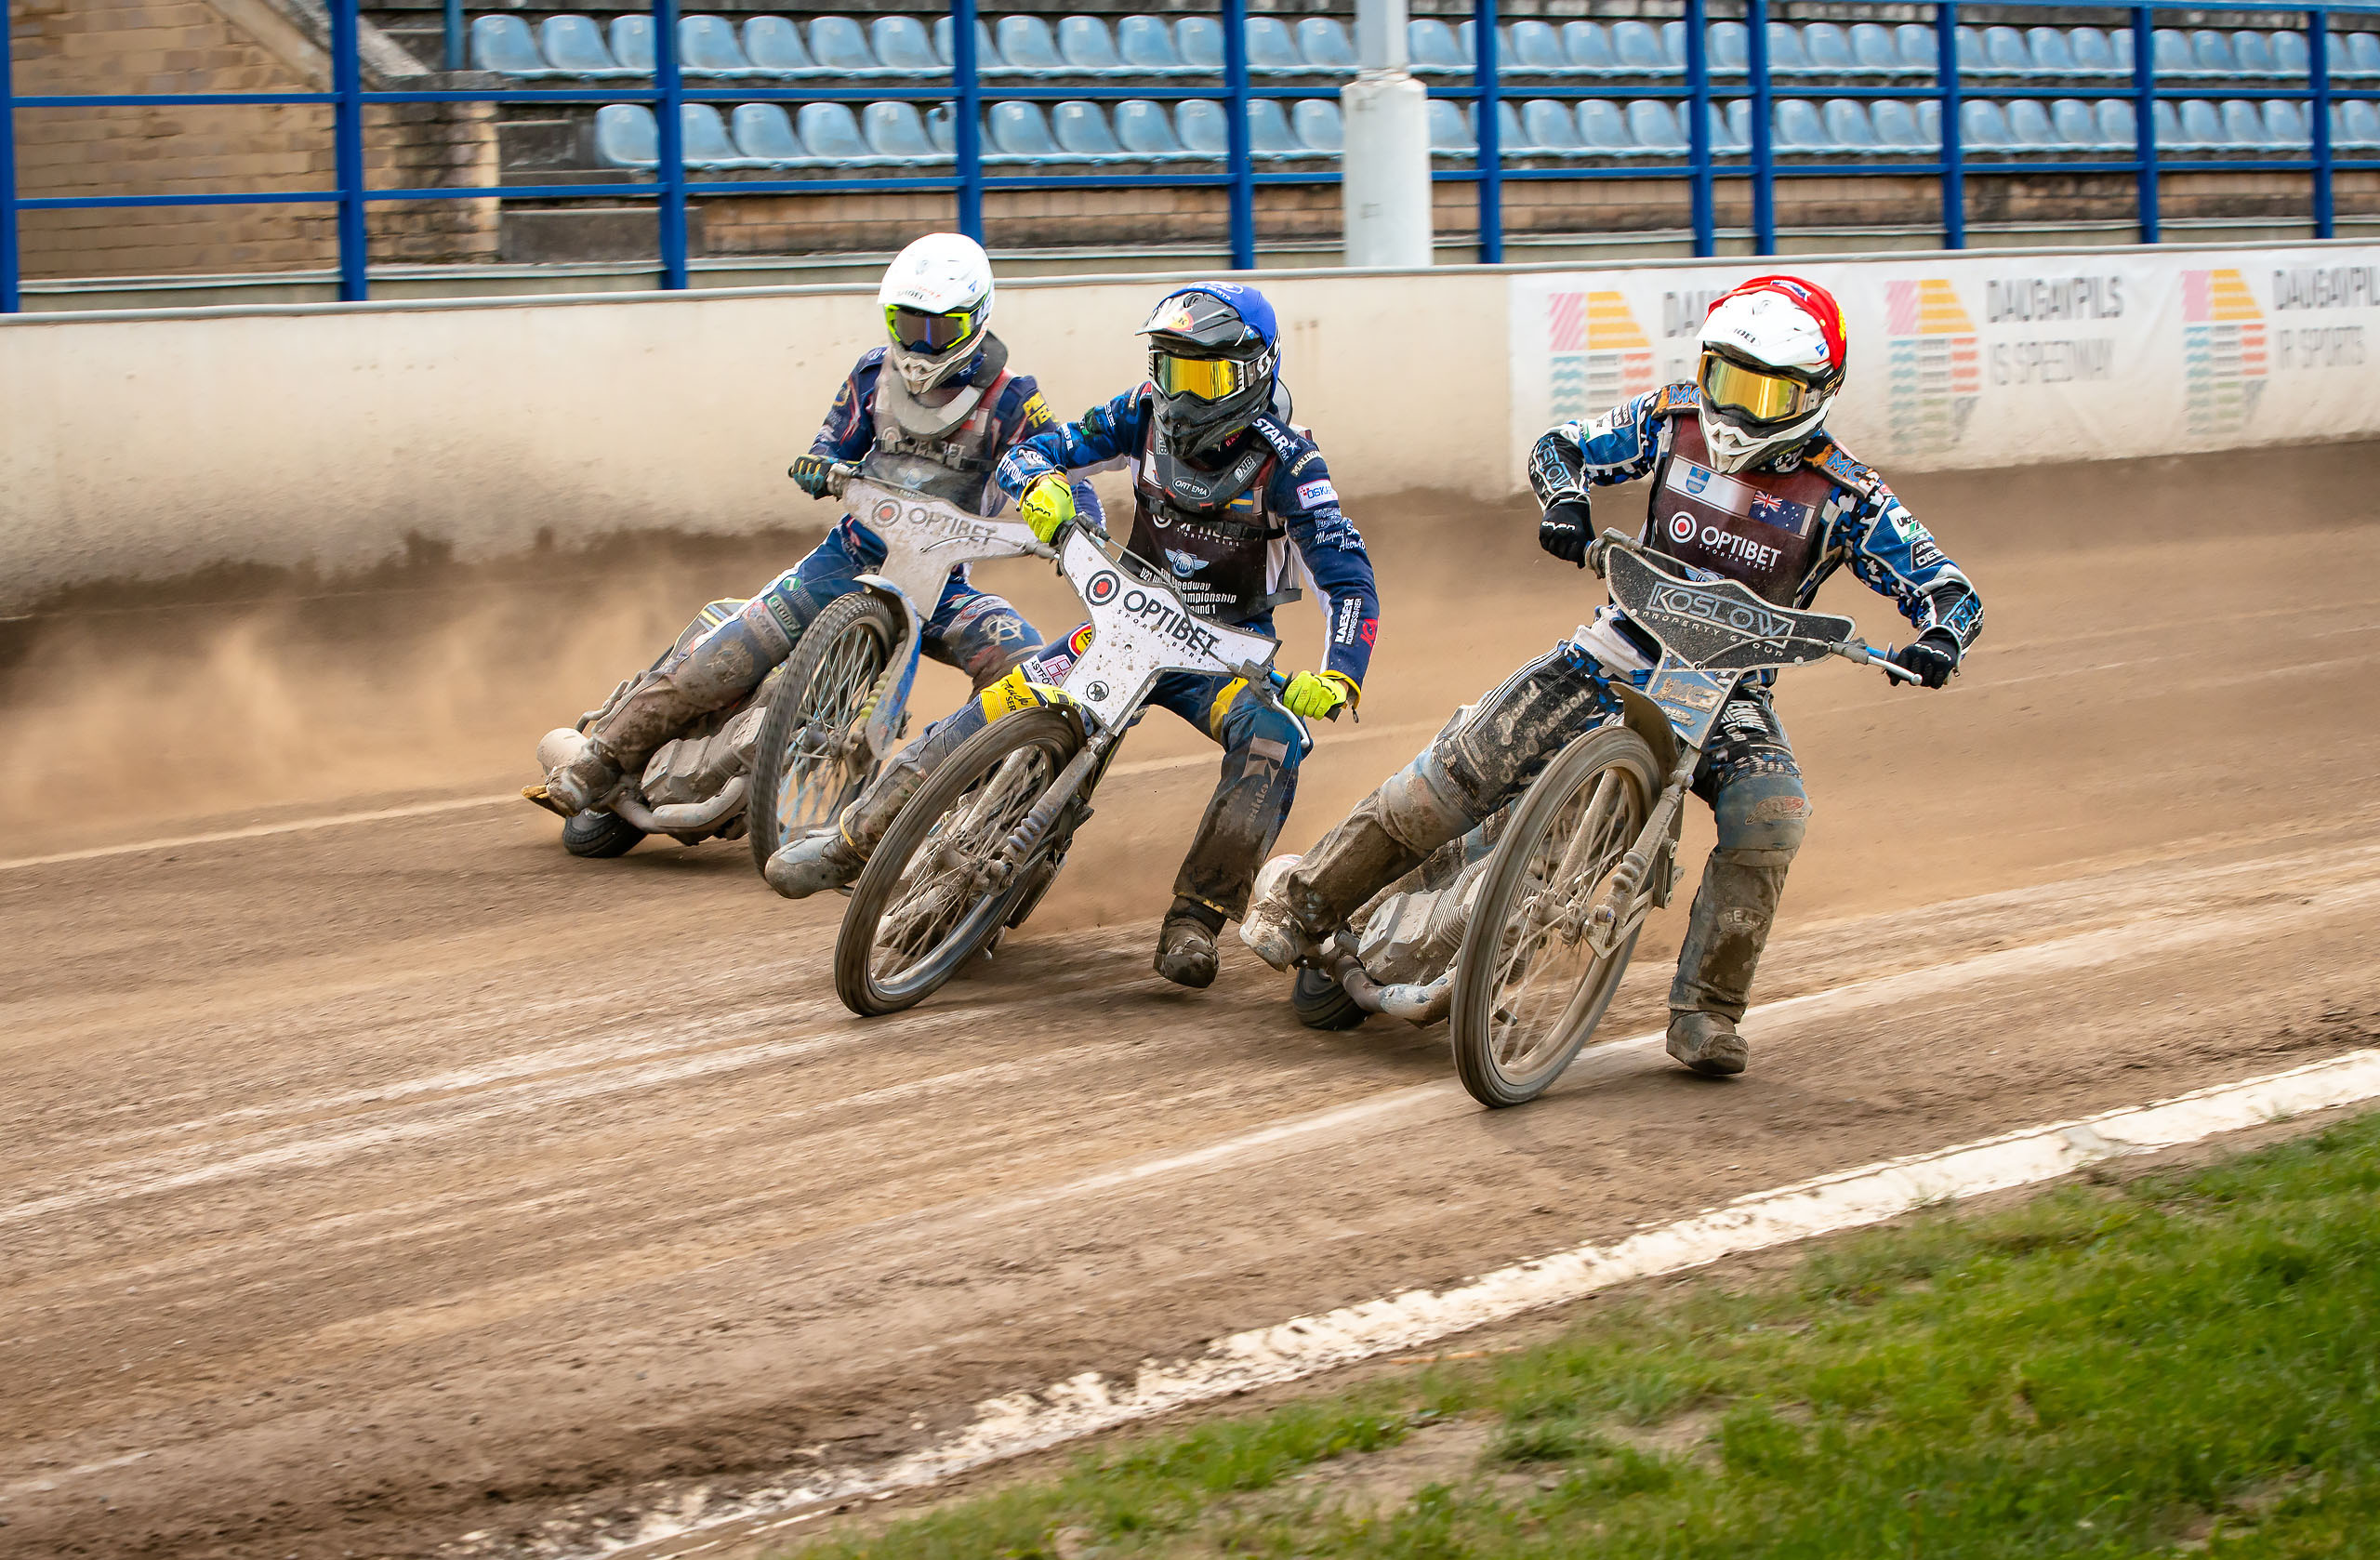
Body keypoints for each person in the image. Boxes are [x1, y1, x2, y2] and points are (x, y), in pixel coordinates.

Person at [1241, 273, 1984, 1076]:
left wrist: (1940, 638)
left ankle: (1707, 1010)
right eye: (1728, 380)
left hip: (1731, 697)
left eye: (1768, 393)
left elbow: (1951, 589)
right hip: (1612, 651)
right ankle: (1305, 899)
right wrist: (1565, 502)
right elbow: (1558, 447)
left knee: (1774, 812)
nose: (1738, 408)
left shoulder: (1846, 494)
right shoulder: (1670, 420)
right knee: (1452, 775)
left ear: (1818, 393)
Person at [768, 281, 1382, 989]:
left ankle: (1197, 915)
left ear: (1254, 371)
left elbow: (1350, 581)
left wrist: (1339, 672)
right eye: (1169, 369)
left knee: (1275, 742)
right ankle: (854, 840)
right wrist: (1039, 485)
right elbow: (1038, 450)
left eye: (1201, 374)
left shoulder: (1292, 465)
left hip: (1223, 656)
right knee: (995, 703)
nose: (1179, 394)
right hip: (1127, 622)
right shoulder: (1140, 411)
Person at [534, 232, 1101, 824]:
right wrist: (819, 463)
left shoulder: (1014, 399)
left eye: (936, 329)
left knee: (1028, 664)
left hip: (943, 585)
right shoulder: (873, 373)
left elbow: (1058, 464)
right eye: (906, 324)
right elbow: (831, 441)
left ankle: (981, 808)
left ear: (976, 318)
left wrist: (1078, 527)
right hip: (844, 561)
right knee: (719, 659)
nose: (918, 343)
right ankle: (596, 762)